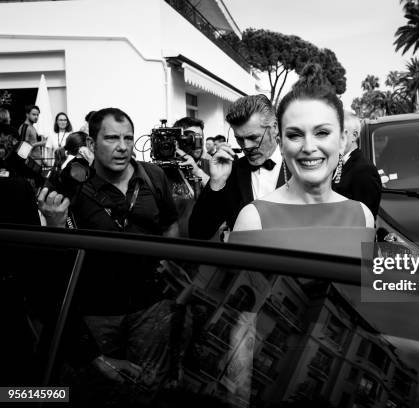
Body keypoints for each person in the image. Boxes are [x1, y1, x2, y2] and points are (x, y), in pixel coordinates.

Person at [38, 108, 182, 401]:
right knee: (97, 391)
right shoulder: (74, 185)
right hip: (95, 312)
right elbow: (56, 261)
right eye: (112, 138)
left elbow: (170, 224)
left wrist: (168, 264)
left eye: (128, 138)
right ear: (92, 145)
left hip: (150, 308)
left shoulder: (154, 176)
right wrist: (54, 224)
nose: (123, 146)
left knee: (148, 391)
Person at [230, 86, 375, 256]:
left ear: (342, 141)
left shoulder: (363, 216)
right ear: (282, 144)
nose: (308, 147)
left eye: (322, 132)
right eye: (294, 135)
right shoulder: (251, 219)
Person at [188, 94, 288, 240]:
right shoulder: (230, 173)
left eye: (253, 138)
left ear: (274, 128)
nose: (246, 147)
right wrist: (216, 183)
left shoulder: (298, 167)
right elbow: (198, 233)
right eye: (239, 139)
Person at [332, 110, 382, 218]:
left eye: (340, 134)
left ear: (354, 136)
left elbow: (364, 217)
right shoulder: (335, 163)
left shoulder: (364, 170)